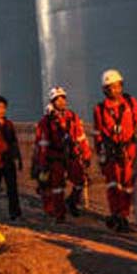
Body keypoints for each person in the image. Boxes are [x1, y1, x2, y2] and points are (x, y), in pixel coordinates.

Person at [93, 69, 137, 232]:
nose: (114, 90)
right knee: (113, 185)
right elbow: (98, 133)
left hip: (129, 151)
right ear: (105, 90)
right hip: (111, 152)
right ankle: (116, 215)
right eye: (110, 87)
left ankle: (123, 215)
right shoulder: (100, 109)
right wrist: (100, 154)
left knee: (128, 186)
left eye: (117, 86)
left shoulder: (130, 102)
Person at [33, 87, 91, 223]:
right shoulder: (46, 121)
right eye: (57, 99)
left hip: (71, 155)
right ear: (52, 101)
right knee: (57, 187)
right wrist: (42, 164)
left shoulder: (72, 117)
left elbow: (81, 136)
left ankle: (72, 202)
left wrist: (86, 153)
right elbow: (42, 144)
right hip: (55, 158)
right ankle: (60, 214)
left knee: (80, 181)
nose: (61, 101)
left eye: (62, 98)